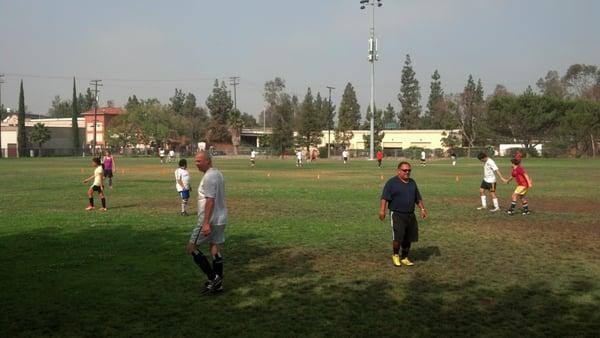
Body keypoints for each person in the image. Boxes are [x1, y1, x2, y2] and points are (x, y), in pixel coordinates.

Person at [186, 151, 228, 294]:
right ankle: (219, 285)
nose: (196, 164)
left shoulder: (209, 177)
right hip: (220, 218)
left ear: (208, 161)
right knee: (214, 248)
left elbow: (210, 200)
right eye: (195, 161)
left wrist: (205, 223)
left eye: (199, 161)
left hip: (209, 219)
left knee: (192, 248)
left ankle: (213, 278)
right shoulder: (218, 174)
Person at [379, 161, 428, 267]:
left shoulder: (412, 183)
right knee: (398, 236)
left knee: (408, 237)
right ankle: (396, 255)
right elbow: (384, 198)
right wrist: (382, 211)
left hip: (410, 214)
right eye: (404, 170)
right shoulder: (391, 183)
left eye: (409, 170)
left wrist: (422, 209)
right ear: (398, 171)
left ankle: (405, 257)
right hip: (397, 214)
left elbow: (418, 198)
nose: (407, 172)